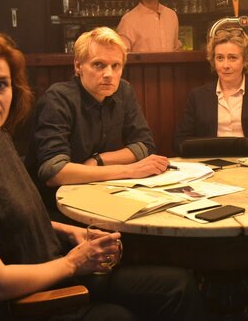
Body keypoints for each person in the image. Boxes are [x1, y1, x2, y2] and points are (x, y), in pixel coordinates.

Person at [0, 31, 218, 321]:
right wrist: (74, 262)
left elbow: (16, 217)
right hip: (18, 318)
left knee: (177, 286)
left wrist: (73, 233)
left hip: (53, 268)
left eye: (1, 84)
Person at [26, 27, 169, 218]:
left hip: (105, 197)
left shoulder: (123, 91)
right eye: (98, 65)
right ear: (78, 66)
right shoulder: (58, 98)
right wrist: (129, 170)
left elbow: (145, 146)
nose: (109, 74)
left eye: (116, 66)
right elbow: (54, 173)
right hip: (56, 209)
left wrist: (98, 161)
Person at [173, 28, 248, 154]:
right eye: (220, 58)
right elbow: (180, 142)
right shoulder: (197, 96)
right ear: (213, 61)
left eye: (232, 58)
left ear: (245, 61)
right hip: (209, 162)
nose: (225, 65)